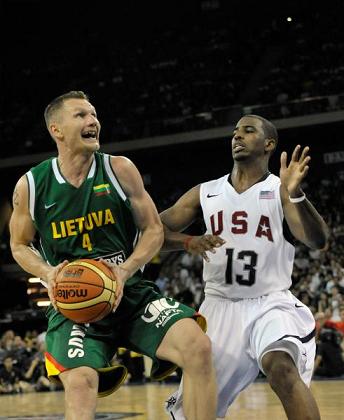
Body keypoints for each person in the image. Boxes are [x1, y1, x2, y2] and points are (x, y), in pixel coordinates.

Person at [9, 91, 217, 420]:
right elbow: (19, 245)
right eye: (80, 115)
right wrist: (48, 273)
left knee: (199, 347)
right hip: (74, 300)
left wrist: (125, 271)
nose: (93, 121)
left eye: (94, 115)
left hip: (129, 291)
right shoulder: (32, 185)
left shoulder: (119, 169)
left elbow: (153, 230)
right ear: (56, 129)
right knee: (80, 383)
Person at [160, 114, 329, 419]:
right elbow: (153, 234)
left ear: (269, 144)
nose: (237, 136)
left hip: (269, 303)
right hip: (218, 309)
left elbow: (317, 240)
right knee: (193, 411)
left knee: (281, 369)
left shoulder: (280, 190)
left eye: (248, 131)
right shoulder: (205, 192)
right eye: (235, 131)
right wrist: (187, 242)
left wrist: (296, 194)